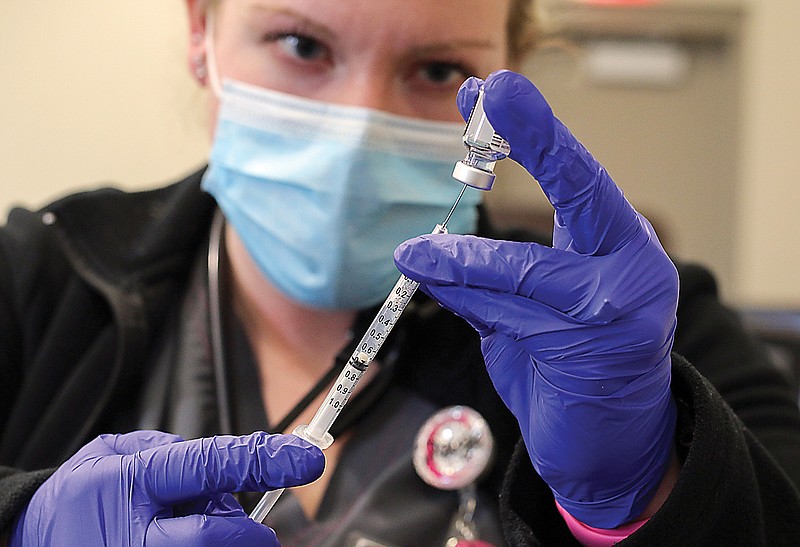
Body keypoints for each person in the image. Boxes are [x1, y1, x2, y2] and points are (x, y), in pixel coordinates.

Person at [2, 0, 799, 545]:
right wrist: (21, 519)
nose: (357, 126)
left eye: (437, 67)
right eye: (302, 44)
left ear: (508, 71)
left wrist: (649, 496)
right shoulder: (39, 276)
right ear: (201, 32)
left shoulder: (646, 338)